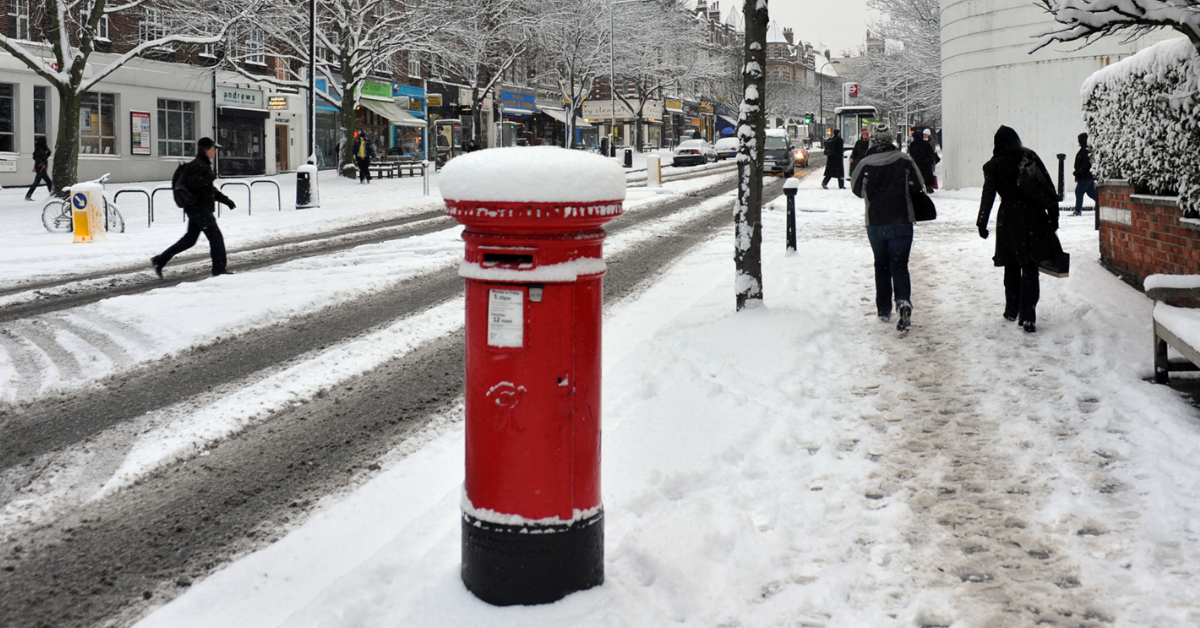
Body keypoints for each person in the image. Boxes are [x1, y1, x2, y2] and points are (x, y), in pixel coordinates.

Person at [976, 126, 1063, 333]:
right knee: (1031, 266)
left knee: (1011, 265)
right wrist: (1053, 215)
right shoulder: (1028, 157)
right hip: (1033, 216)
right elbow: (1046, 186)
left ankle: (1011, 309)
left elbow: (988, 195)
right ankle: (1028, 314)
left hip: (1009, 219)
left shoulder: (992, 166)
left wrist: (982, 221)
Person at [851, 124, 928, 332]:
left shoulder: (865, 164)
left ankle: (883, 310)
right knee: (900, 265)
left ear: (873, 140)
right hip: (902, 220)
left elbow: (856, 190)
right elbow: (919, 184)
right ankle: (903, 302)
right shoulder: (904, 160)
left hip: (875, 222)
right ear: (891, 139)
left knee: (881, 265)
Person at [151, 137, 236, 278]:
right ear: (206, 150)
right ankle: (219, 270)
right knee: (216, 238)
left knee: (190, 240)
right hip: (199, 209)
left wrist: (225, 200)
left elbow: (209, 189)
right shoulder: (199, 165)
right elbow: (194, 184)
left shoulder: (202, 164)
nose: (215, 151)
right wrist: (210, 176)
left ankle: (159, 260)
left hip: (197, 209)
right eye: (213, 149)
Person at [909, 128, 941, 193]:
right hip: (926, 164)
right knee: (928, 176)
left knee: (917, 175)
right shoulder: (926, 144)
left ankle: (918, 187)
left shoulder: (912, 145)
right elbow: (931, 153)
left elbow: (911, 154)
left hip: (917, 163)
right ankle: (929, 187)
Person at [1073, 132, 1097, 216]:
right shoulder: (1086, 149)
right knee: (1091, 193)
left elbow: (1085, 163)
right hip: (1088, 176)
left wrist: (1079, 171)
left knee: (1079, 191)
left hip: (1085, 176)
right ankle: (1102, 203)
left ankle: (1077, 211)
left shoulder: (1085, 150)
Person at [25, 136, 52, 201]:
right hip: (40, 168)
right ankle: (52, 195)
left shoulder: (43, 148)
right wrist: (41, 163)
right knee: (48, 182)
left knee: (36, 182)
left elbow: (45, 157)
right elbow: (35, 157)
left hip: (41, 167)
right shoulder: (39, 149)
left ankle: (28, 195)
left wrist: (48, 151)